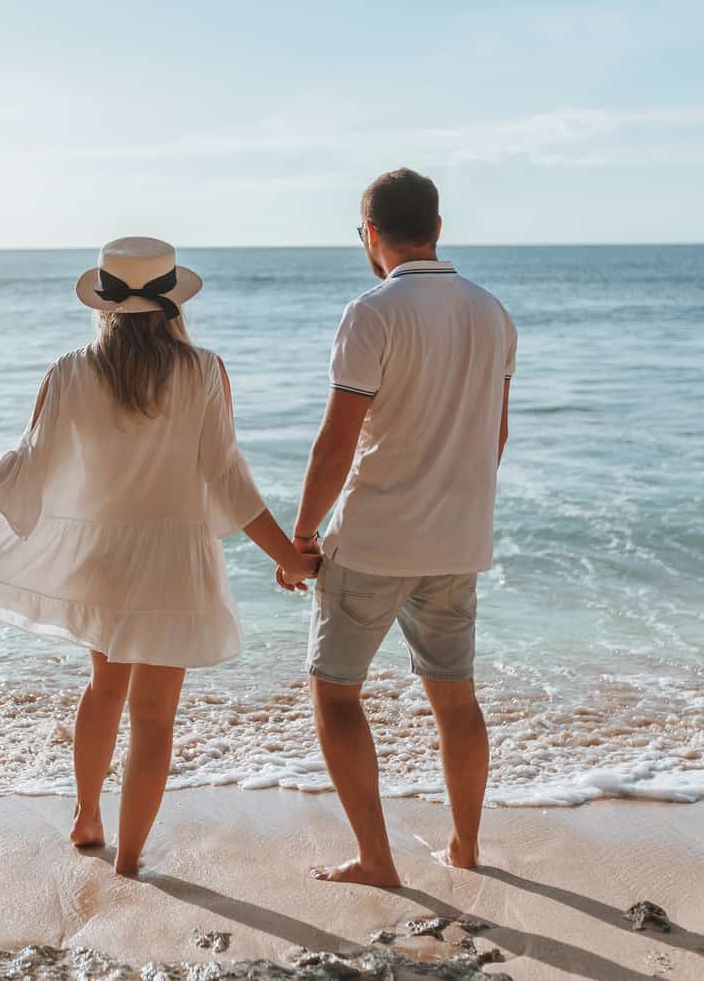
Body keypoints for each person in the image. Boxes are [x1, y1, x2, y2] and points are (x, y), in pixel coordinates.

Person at [0, 236, 320, 877]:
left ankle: (86, 815)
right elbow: (227, 478)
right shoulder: (204, 368)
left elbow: (20, 473)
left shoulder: (71, 370)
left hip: (102, 558)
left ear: (102, 304)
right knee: (153, 718)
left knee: (104, 689)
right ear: (171, 303)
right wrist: (288, 555)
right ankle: (128, 859)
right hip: (176, 564)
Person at [284, 169, 517, 887]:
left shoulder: (372, 311)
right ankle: (467, 847)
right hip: (458, 539)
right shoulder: (493, 313)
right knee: (456, 698)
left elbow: (336, 444)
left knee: (335, 692)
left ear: (372, 234)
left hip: (378, 539)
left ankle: (378, 860)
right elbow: (495, 435)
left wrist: (301, 538)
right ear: (438, 229)